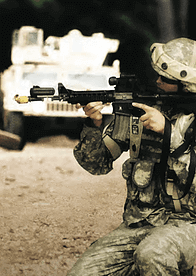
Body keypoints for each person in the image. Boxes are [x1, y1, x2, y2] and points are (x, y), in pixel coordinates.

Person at [67, 38, 196, 276]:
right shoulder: (141, 114)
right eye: (157, 75)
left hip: (187, 225)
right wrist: (94, 123)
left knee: (153, 254)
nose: (157, 81)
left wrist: (170, 134)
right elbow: (96, 164)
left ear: (186, 85)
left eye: (166, 79)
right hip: (138, 224)